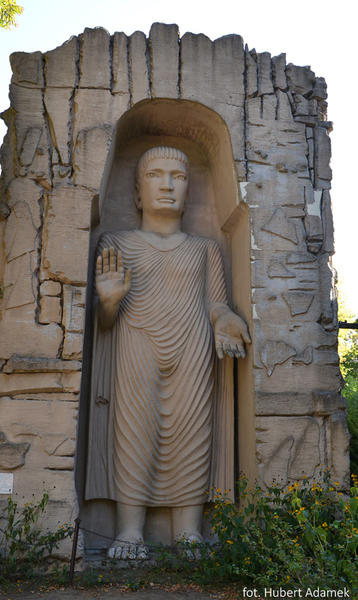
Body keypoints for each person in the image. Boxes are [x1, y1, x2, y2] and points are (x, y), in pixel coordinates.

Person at [85, 146, 250, 559]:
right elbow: (103, 324)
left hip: (193, 350)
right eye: (155, 175)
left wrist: (226, 318)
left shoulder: (205, 248)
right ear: (137, 193)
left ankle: (188, 532)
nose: (167, 185)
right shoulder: (116, 243)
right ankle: (128, 532)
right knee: (133, 435)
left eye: (178, 177)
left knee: (192, 435)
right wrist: (108, 302)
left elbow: (215, 303)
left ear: (188, 190)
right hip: (134, 346)